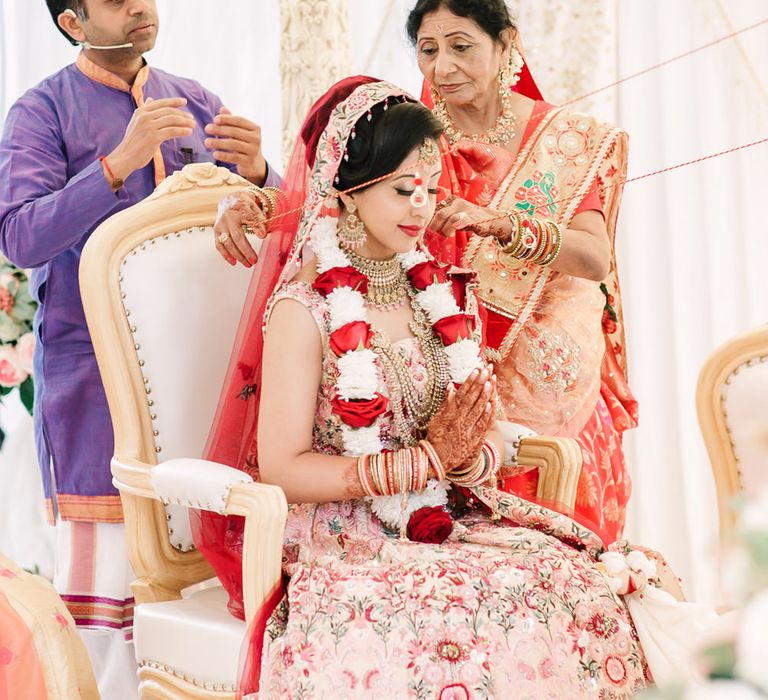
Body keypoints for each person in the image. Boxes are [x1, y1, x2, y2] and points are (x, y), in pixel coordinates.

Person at [202, 76, 651, 698]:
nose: (424, 207)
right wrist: (423, 463)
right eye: (405, 190)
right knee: (462, 610)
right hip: (343, 535)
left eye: (433, 190)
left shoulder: (431, 293)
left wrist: (472, 452)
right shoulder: (304, 310)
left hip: (444, 514)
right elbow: (281, 466)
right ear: (350, 191)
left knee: (575, 578)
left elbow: (474, 429)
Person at [0, 0, 279, 693]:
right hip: (93, 389)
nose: (140, 7)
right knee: (107, 597)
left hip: (209, 386)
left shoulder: (195, 101)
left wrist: (261, 172)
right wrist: (118, 164)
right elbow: (19, 236)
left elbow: (263, 226)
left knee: (205, 576)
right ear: (72, 22)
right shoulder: (42, 113)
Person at [406, 0, 638, 544]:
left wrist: (503, 225)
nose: (443, 68)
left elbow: (593, 256)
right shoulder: (409, 141)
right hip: (446, 385)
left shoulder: (570, 140)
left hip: (551, 383)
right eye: (428, 50)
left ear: (505, 44)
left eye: (462, 46)